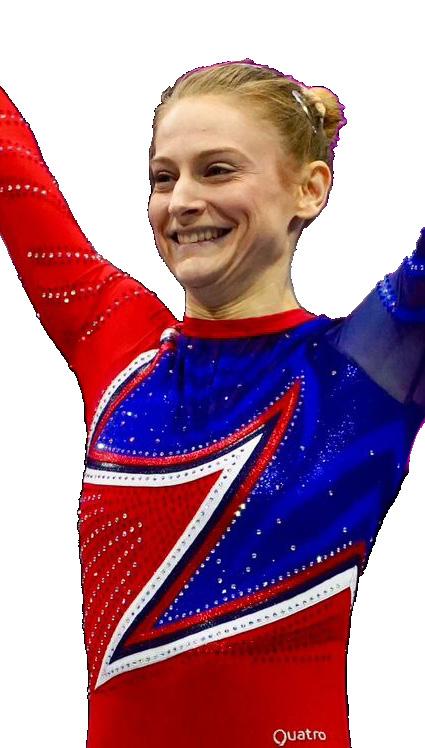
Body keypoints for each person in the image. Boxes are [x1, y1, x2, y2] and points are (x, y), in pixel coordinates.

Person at [1, 58, 424, 748]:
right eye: (163, 178)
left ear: (310, 189)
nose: (183, 200)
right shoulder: (119, 348)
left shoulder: (365, 371)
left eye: (218, 171)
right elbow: (13, 172)